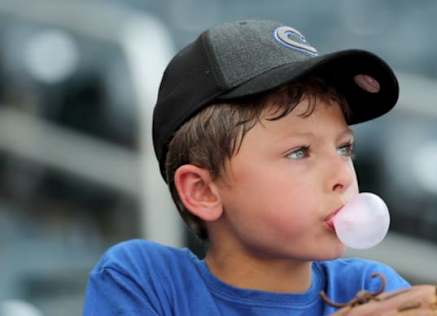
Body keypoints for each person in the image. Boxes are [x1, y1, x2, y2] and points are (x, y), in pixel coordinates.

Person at [83, 19, 410, 315]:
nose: (342, 176)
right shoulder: (144, 281)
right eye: (299, 152)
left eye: (344, 148)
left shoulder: (372, 289)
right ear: (203, 191)